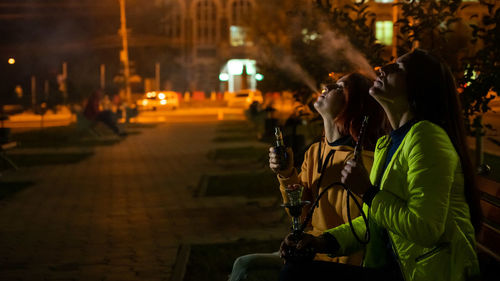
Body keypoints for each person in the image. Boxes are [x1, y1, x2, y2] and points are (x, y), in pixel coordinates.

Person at [279, 49, 481, 281]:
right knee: (296, 268)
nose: (382, 69)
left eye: (398, 68)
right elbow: (370, 224)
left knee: (295, 274)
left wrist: (367, 191)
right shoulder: (388, 143)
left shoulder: (427, 138)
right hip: (394, 270)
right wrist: (319, 242)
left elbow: (425, 229)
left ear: (418, 88)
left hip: (425, 274)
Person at [229, 73, 388, 281]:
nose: (328, 86)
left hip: (339, 263)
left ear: (355, 106)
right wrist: (286, 174)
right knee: (244, 265)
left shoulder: (365, 162)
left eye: (340, 87)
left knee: (249, 269)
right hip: (308, 250)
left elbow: (363, 233)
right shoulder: (315, 152)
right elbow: (302, 215)